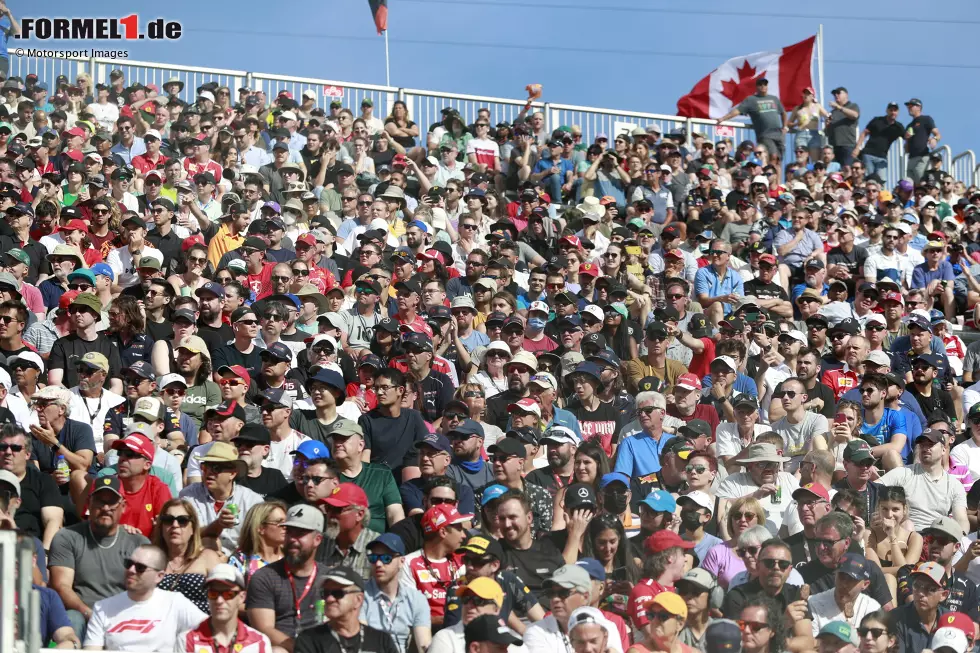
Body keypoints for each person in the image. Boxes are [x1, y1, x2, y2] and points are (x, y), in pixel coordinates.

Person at [48, 475, 150, 638]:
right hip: (82, 614)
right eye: (100, 501)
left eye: (112, 502)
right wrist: (91, 614)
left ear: (123, 506)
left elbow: (145, 592)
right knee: (72, 618)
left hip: (124, 617)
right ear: (89, 503)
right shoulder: (67, 537)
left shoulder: (138, 543)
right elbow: (61, 586)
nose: (106, 507)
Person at [81, 544, 207, 651]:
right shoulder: (103, 608)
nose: (131, 570)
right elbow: (92, 650)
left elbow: (211, 631)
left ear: (159, 576)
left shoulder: (174, 602)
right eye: (128, 563)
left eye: (140, 568)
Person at [247, 503, 330, 650]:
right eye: (289, 531)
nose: (292, 539)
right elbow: (264, 629)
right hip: (283, 646)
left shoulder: (329, 578)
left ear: (317, 539)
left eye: (300, 533)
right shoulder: (265, 577)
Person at [878, 428, 969, 532]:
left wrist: (962, 538)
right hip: (907, 535)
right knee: (908, 525)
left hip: (937, 537)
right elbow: (871, 489)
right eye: (922, 445)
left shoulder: (954, 485)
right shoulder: (904, 473)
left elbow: (961, 519)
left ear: (943, 449)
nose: (925, 448)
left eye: (930, 444)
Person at [175, 563, 273, 653]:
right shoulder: (187, 640)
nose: (219, 601)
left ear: (242, 597)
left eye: (228, 594)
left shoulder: (259, 641)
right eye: (213, 594)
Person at [361, 532, 432, 653]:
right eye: (373, 558)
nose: (378, 564)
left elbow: (424, 645)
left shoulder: (416, 599)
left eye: (386, 558)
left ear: (401, 561)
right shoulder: (360, 595)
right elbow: (361, 641)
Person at [806, 553, 881, 636]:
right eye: (841, 576)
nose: (844, 584)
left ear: (865, 584)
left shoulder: (871, 608)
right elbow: (811, 644)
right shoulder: (813, 604)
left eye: (851, 579)